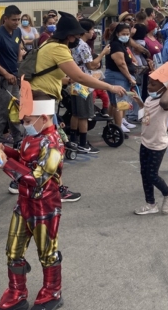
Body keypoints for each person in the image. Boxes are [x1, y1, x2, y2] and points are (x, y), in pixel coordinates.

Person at [30, 12, 128, 203]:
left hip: (38, 98)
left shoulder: (48, 44)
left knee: (42, 146)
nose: (77, 38)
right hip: (42, 99)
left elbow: (61, 76)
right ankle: (52, 190)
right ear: (68, 35)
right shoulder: (59, 48)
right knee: (51, 148)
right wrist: (110, 87)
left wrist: (69, 80)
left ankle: (37, 184)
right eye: (75, 35)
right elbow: (80, 76)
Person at [0, 90, 65, 310]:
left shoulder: (53, 144)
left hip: (45, 206)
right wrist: (6, 152)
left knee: (47, 253)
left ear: (44, 117)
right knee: (13, 251)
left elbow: (38, 178)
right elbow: (25, 160)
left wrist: (6, 164)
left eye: (28, 120)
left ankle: (52, 293)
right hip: (24, 204)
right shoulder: (32, 136)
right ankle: (16, 293)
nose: (24, 124)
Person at [133, 62, 168, 215]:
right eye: (149, 83)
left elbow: (164, 102)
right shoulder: (149, 100)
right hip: (145, 142)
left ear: (163, 88)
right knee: (144, 174)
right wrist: (140, 103)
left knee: (152, 175)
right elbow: (146, 118)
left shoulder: (167, 102)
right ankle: (151, 204)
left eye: (153, 85)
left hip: (157, 144)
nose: (149, 87)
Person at [68, 18, 111, 154]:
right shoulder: (83, 45)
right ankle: (82, 143)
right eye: (92, 29)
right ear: (85, 31)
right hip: (84, 82)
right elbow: (91, 65)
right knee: (84, 114)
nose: (93, 32)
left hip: (74, 81)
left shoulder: (73, 43)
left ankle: (73, 140)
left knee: (75, 113)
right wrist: (102, 54)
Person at [0, 5, 23, 147]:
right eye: (14, 19)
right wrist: (6, 74)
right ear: (5, 19)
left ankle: (17, 139)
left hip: (14, 76)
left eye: (18, 19)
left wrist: (19, 67)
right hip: (1, 77)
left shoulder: (17, 31)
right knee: (2, 111)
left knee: (15, 108)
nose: (17, 22)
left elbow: (18, 50)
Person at [104, 23, 139, 134]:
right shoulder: (116, 45)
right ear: (117, 33)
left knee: (117, 103)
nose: (126, 36)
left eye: (128, 34)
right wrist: (130, 78)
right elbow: (121, 63)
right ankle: (118, 127)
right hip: (117, 76)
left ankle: (117, 124)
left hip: (119, 76)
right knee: (120, 102)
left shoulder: (121, 45)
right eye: (123, 34)